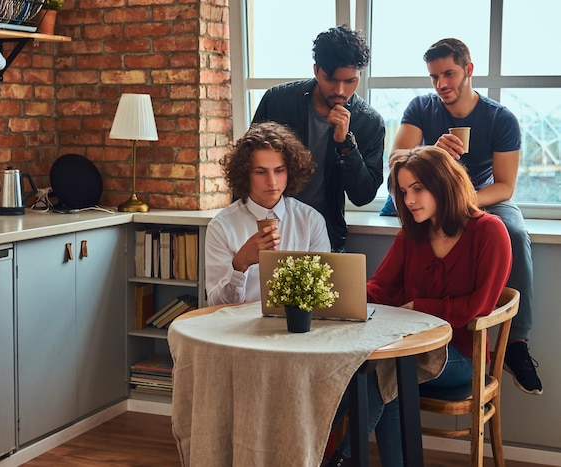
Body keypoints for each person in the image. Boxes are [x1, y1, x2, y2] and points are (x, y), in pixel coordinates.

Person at [327, 146, 513, 467]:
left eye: (418, 189)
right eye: (403, 191)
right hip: (407, 350)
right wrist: (344, 299)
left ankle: (338, 458)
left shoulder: (490, 231)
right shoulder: (412, 233)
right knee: (387, 378)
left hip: (461, 354)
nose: (410, 200)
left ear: (443, 183)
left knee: (382, 374)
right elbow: (380, 287)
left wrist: (419, 306)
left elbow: (477, 307)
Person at [386, 37, 542, 395]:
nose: (442, 84)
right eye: (434, 77)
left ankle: (517, 342)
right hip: (432, 193)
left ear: (468, 71)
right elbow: (395, 162)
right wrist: (428, 151)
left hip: (481, 196)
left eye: (449, 74)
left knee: (514, 232)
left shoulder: (499, 118)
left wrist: (456, 200)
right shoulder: (421, 108)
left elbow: (504, 186)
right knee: (412, 224)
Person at [252, 25, 385, 252]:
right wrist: (238, 226)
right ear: (316, 70)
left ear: (360, 75)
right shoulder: (278, 102)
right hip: (269, 231)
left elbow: (363, 196)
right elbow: (247, 164)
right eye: (331, 79)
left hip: (325, 237)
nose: (340, 90)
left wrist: (346, 144)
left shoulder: (369, 122)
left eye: (350, 81)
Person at [205, 122, 330, 305]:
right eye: (261, 172)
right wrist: (239, 266)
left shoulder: (311, 221)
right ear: (245, 174)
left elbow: (321, 293)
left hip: (295, 327)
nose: (272, 182)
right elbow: (216, 305)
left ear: (291, 171)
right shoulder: (221, 226)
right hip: (239, 329)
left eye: (279, 171)